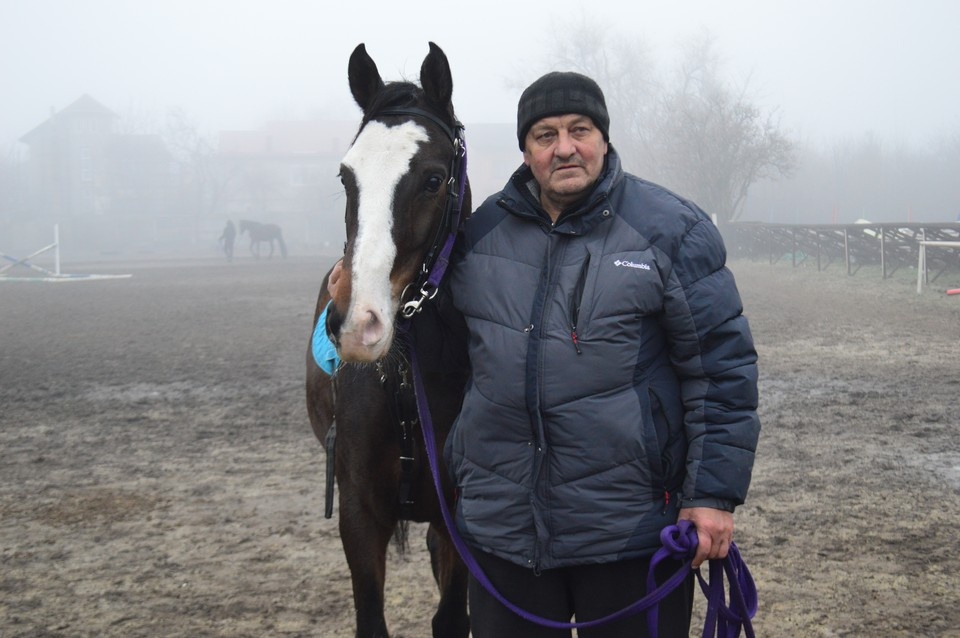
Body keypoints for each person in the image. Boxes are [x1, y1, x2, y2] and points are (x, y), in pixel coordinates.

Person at [321, 71, 760, 638]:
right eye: (545, 135)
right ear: (526, 151)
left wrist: (711, 496)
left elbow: (721, 374)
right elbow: (435, 346)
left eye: (580, 130)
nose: (564, 148)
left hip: (627, 534)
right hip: (508, 540)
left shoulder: (674, 232)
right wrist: (358, 285)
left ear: (603, 138)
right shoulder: (477, 239)